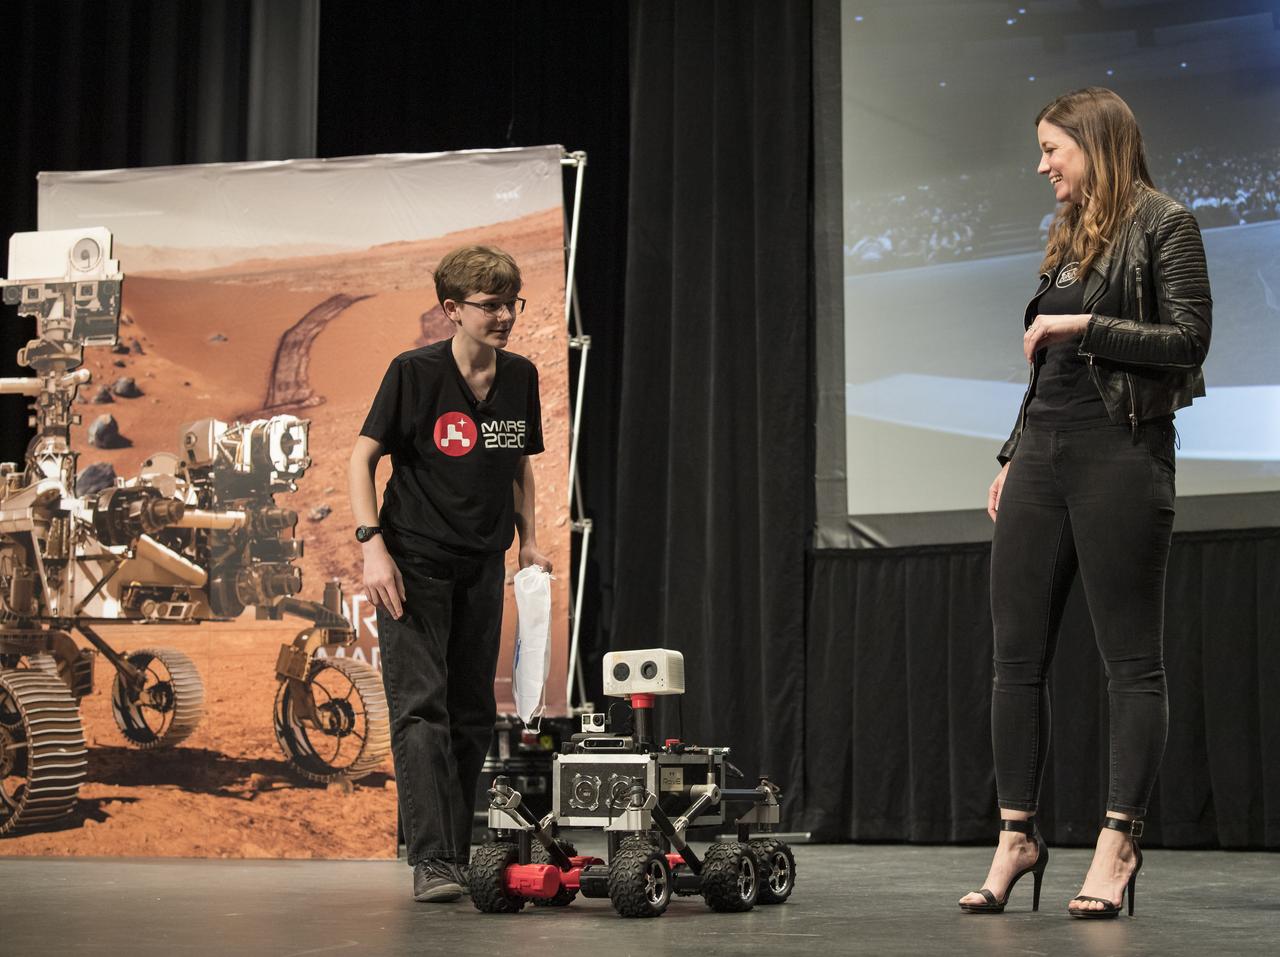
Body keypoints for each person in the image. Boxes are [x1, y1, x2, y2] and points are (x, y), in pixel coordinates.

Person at [958, 88, 1211, 919]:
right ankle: (1016, 837)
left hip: (1121, 453)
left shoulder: (1165, 223)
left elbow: (1189, 340)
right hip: (1043, 453)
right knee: (1015, 658)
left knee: (1131, 664)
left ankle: (1118, 841)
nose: (1042, 166)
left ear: (1094, 143)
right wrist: (1014, 452)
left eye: (1052, 149)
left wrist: (1084, 327)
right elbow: (1046, 370)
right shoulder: (1068, 236)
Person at [348, 245, 552, 903]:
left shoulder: (520, 376)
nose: (505, 316)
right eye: (490, 305)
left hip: (481, 564)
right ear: (452, 309)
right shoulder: (414, 372)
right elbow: (361, 459)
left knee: (471, 713)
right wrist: (372, 547)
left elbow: (519, 465)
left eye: (511, 304)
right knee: (421, 707)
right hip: (412, 562)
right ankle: (432, 859)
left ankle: (455, 855)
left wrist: (528, 542)